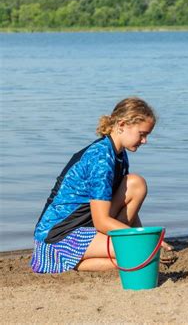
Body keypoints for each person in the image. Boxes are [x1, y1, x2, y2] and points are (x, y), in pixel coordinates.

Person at [31, 97, 172, 273]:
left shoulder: (118, 154)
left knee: (135, 184)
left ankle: (101, 254)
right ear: (122, 124)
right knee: (140, 250)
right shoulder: (101, 158)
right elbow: (101, 221)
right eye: (142, 134)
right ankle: (64, 260)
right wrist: (144, 240)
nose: (145, 141)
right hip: (59, 236)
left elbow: (129, 210)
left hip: (85, 227)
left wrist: (142, 234)